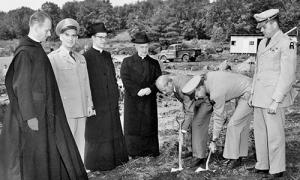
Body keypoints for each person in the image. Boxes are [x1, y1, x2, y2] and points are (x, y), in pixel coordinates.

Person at [0, 11, 88, 180]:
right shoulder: (25, 52)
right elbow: (21, 86)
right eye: (47, 30)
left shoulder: (35, 47)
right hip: (34, 116)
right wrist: (30, 117)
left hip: (44, 112)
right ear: (36, 26)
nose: (49, 34)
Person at [250, 9, 297, 179]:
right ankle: (263, 164)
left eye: (263, 27)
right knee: (260, 133)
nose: (261, 30)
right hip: (260, 97)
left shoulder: (288, 42)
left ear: (273, 23)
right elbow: (258, 71)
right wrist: (252, 93)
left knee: (275, 135)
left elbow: (288, 75)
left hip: (273, 98)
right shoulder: (262, 43)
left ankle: (277, 168)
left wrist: (276, 100)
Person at [182, 71, 253, 169]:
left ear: (200, 87)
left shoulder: (215, 93)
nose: (197, 97)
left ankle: (234, 158)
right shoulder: (207, 79)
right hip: (246, 88)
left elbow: (219, 117)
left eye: (196, 94)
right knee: (241, 125)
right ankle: (239, 155)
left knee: (233, 125)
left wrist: (214, 140)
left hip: (249, 91)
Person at [83, 22, 128, 171]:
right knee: (98, 133)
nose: (103, 40)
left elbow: (113, 78)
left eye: (105, 37)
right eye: (100, 37)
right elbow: (85, 82)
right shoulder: (86, 57)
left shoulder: (108, 55)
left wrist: (116, 93)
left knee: (113, 129)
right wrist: (90, 103)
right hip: (97, 102)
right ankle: (98, 165)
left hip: (111, 100)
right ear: (93, 38)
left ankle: (115, 161)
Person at [48, 18, 95, 162]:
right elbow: (51, 88)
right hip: (66, 112)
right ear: (60, 37)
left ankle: (80, 173)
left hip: (81, 109)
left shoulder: (81, 58)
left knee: (81, 145)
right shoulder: (52, 58)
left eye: (74, 35)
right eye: (67, 35)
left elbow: (86, 82)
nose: (70, 38)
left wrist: (90, 104)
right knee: (66, 147)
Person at [155, 74, 213, 167]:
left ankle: (199, 156)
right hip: (195, 101)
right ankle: (192, 151)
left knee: (197, 124)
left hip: (205, 100)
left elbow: (190, 112)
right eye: (162, 91)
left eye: (164, 90)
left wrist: (182, 130)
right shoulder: (174, 85)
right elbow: (187, 105)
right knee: (189, 125)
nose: (165, 93)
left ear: (169, 83)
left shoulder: (182, 86)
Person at [121, 31, 162, 158]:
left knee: (148, 125)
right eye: (141, 47)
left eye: (146, 47)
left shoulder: (154, 63)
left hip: (149, 101)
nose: (144, 50)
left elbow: (159, 81)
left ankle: (150, 151)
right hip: (133, 100)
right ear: (136, 47)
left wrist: (151, 89)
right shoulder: (127, 62)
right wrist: (137, 91)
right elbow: (125, 79)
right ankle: (132, 152)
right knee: (133, 126)